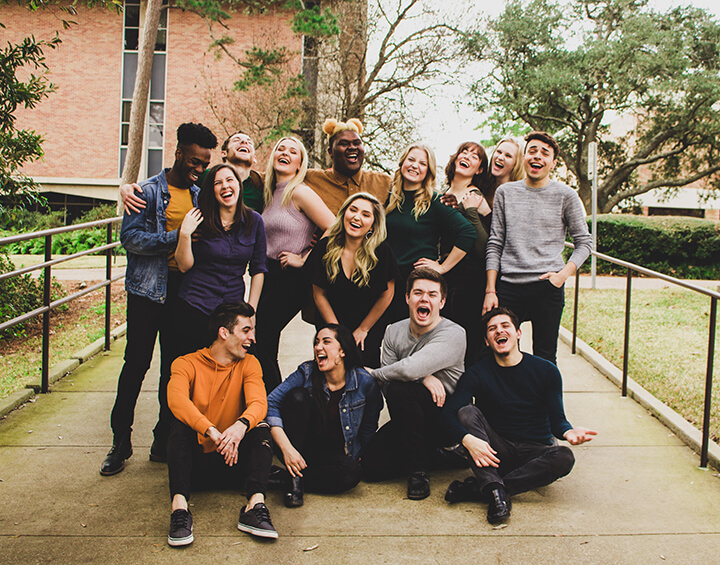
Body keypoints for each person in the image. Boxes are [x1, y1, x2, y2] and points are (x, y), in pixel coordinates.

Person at [100, 123, 217, 476]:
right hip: (148, 292)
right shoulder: (147, 191)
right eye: (194, 161)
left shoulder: (201, 194)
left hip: (185, 294)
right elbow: (131, 239)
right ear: (178, 152)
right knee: (136, 365)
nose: (199, 169)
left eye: (205, 164)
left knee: (174, 370)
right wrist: (175, 236)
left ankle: (162, 438)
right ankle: (120, 442)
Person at [441, 307, 597, 524]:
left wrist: (569, 432)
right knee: (467, 412)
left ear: (518, 333)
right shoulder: (477, 373)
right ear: (487, 341)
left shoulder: (546, 371)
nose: (499, 331)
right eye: (492, 329)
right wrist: (467, 441)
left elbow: (557, 420)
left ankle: (488, 488)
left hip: (534, 451)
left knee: (564, 457)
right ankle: (495, 489)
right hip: (495, 451)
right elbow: (449, 414)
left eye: (505, 326)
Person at [165, 302, 278, 546]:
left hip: (235, 463)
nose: (252, 338)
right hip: (196, 467)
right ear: (224, 332)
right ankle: (180, 511)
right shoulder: (186, 364)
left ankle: (255, 505)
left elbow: (259, 403)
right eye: (246, 330)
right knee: (179, 426)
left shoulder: (250, 363)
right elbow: (176, 401)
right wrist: (211, 431)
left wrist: (239, 427)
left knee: (260, 427)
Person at [484, 131, 592, 365]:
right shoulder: (506, 193)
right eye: (532, 151)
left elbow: (584, 243)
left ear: (553, 163)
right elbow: (495, 242)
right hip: (509, 287)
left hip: (547, 287)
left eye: (545, 153)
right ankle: (509, 402)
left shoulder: (566, 195)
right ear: (524, 157)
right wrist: (490, 289)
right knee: (504, 354)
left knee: (545, 357)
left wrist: (562, 275)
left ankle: (547, 403)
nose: (537, 157)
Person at [362, 267, 467, 500]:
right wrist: (423, 377)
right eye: (418, 293)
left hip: (445, 417)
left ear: (442, 301)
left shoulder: (454, 333)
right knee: (370, 467)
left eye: (432, 294)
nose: (424, 299)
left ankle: (418, 470)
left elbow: (404, 371)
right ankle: (437, 455)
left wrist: (378, 373)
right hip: (408, 416)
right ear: (407, 298)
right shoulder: (393, 332)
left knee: (402, 388)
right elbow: (388, 387)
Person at [266, 324, 383, 507]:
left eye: (326, 342)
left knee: (352, 474)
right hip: (299, 448)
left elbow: (369, 426)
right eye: (317, 342)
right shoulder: (306, 372)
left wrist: (359, 456)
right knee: (297, 396)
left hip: (332, 456)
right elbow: (270, 403)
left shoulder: (364, 382)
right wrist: (287, 449)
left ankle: (288, 478)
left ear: (342, 351)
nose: (318, 347)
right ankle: (294, 478)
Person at [255, 136, 335, 391]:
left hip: (291, 278)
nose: (285, 153)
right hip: (267, 275)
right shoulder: (270, 194)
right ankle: (267, 402)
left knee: (263, 334)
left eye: (293, 151)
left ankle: (273, 402)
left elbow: (334, 226)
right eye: (281, 148)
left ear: (300, 165)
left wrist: (304, 258)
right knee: (261, 339)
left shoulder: (299, 191)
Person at [172, 163, 267, 356]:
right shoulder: (200, 219)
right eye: (218, 183)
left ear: (239, 186)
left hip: (231, 311)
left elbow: (258, 269)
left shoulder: (254, 221)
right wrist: (184, 234)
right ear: (212, 191)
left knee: (238, 368)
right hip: (195, 305)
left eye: (229, 180)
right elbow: (184, 266)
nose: (225, 186)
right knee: (190, 370)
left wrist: (252, 312)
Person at [384, 142, 477, 323]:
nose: (414, 166)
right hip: (388, 279)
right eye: (411, 160)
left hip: (417, 282)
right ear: (402, 162)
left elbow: (467, 233)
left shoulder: (434, 200)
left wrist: (442, 267)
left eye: (422, 163)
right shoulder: (389, 197)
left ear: (428, 171)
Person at [306, 192, 399, 367]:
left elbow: (387, 293)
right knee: (331, 367)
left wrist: (363, 329)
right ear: (343, 215)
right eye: (353, 210)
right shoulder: (324, 248)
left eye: (366, 214)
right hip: (330, 322)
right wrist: (337, 333)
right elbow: (319, 294)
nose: (357, 217)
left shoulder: (381, 251)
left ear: (372, 225)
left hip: (367, 326)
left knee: (363, 373)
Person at [121, 130, 265, 214]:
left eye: (249, 142)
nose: (244, 143)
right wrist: (127, 188)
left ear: (255, 158)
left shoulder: (262, 185)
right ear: (223, 153)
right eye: (237, 140)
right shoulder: (205, 176)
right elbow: (169, 180)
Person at [304, 118, 391, 214]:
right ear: (330, 152)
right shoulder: (310, 179)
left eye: (357, 143)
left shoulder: (385, 183)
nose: (352, 147)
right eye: (344, 144)